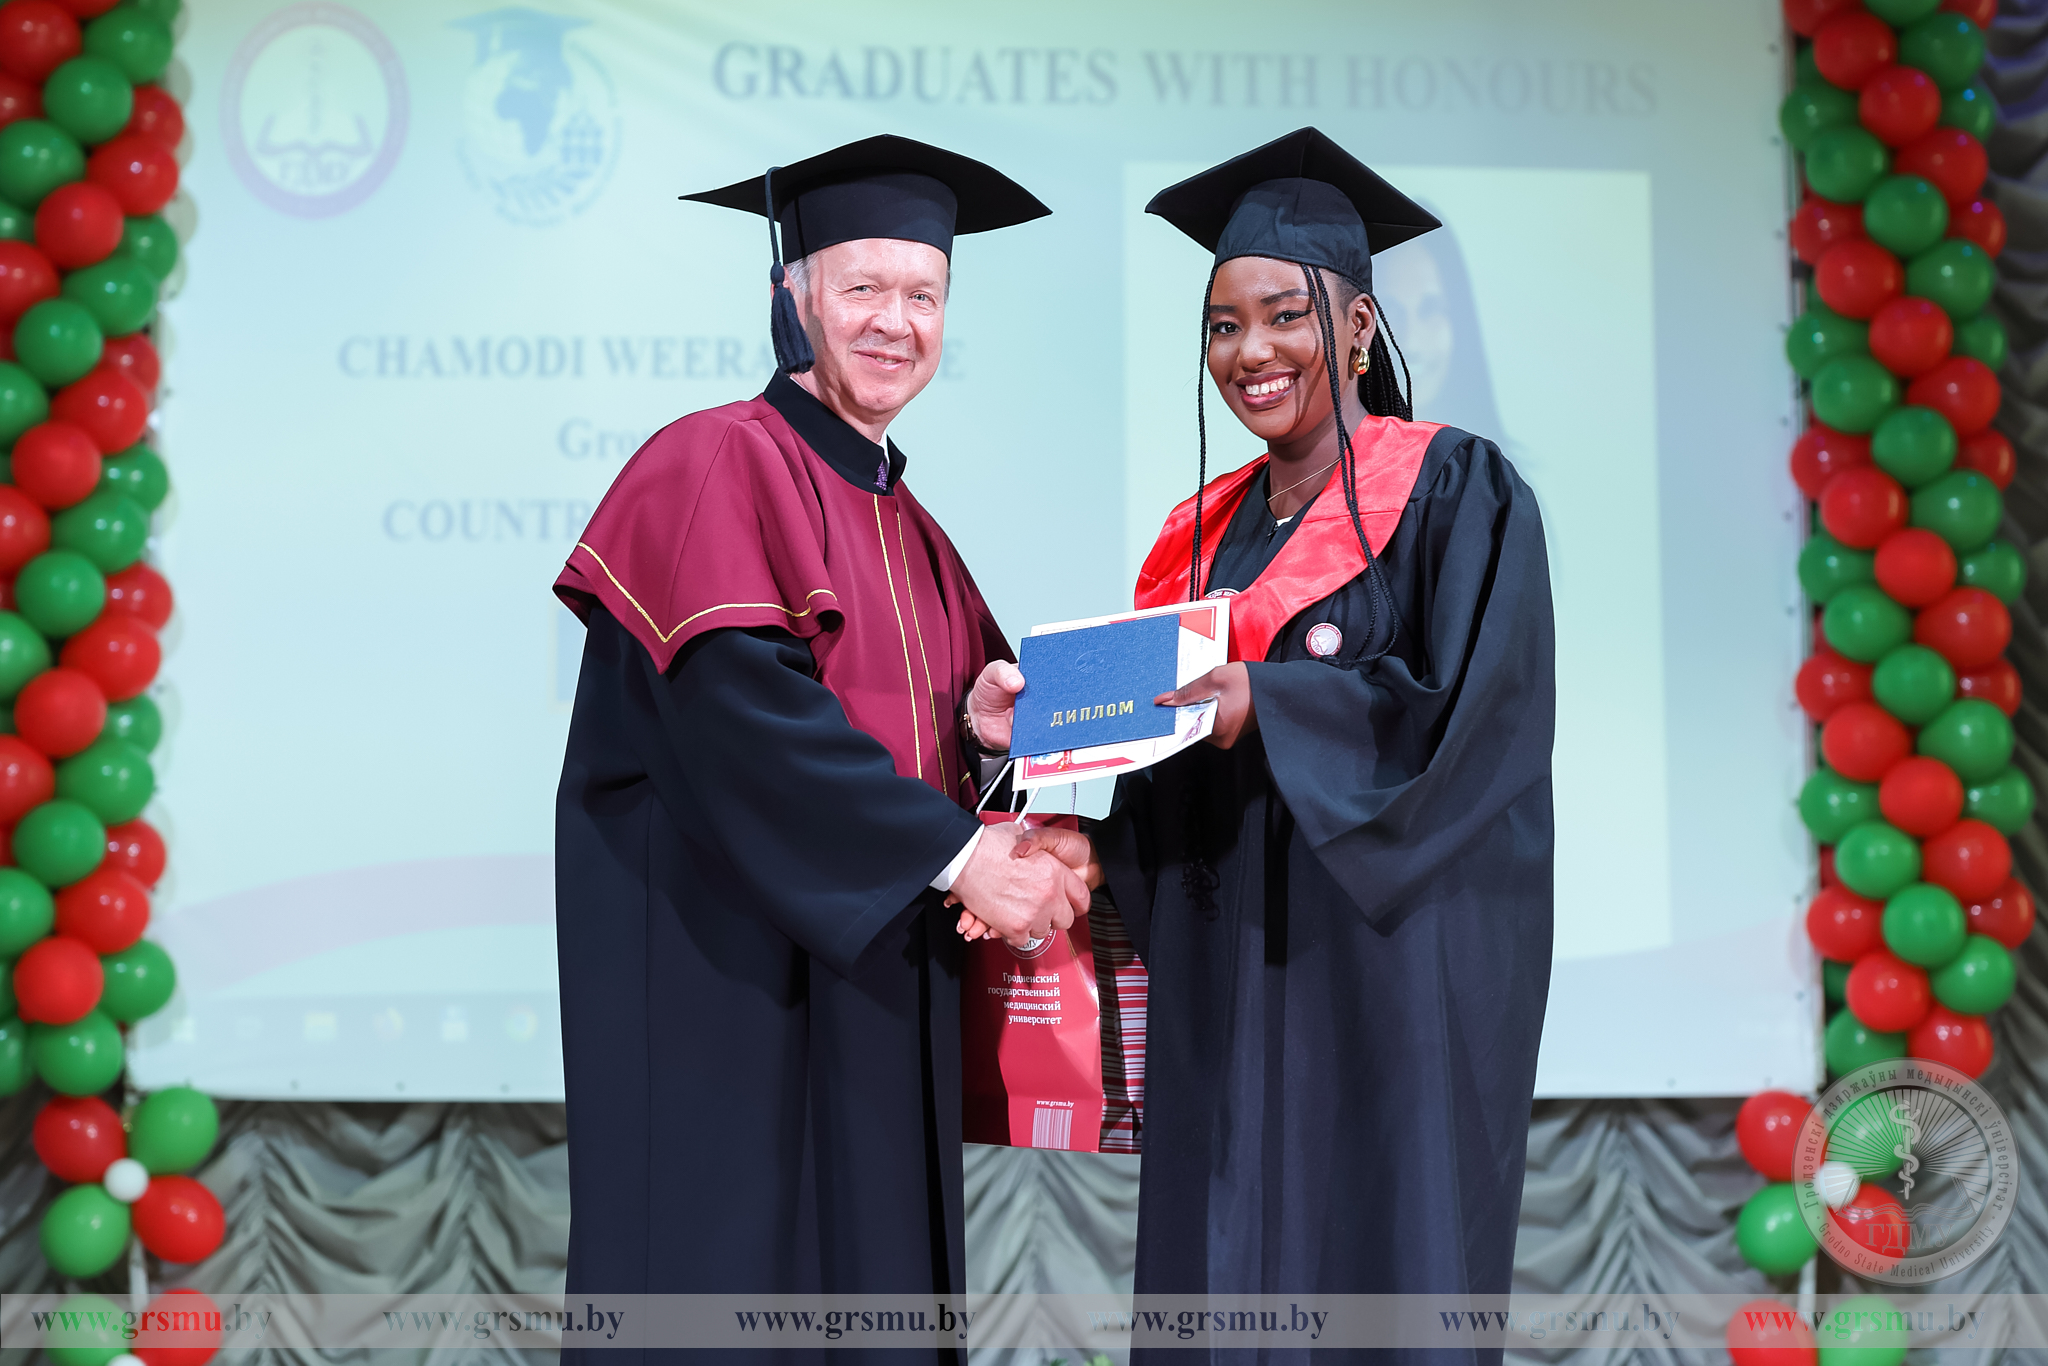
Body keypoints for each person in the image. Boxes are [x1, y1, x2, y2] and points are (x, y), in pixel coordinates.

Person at [987, 127, 1556, 1351]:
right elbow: (1157, 761)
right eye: (1222, 326)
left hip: (1386, 980)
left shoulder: (1453, 489)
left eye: (1284, 316)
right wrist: (1083, 834)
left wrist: (1271, 702)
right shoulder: (1200, 535)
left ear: (1355, 328)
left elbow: (1478, 721)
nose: (1249, 352)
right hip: (1224, 974)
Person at [551, 134, 1085, 1337]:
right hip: (729, 999)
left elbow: (914, 742)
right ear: (789, 296)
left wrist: (978, 736)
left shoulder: (914, 526)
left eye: (924, 295)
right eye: (862, 289)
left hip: (875, 1007)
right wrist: (959, 854)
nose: (895, 322)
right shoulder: (713, 461)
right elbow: (744, 718)